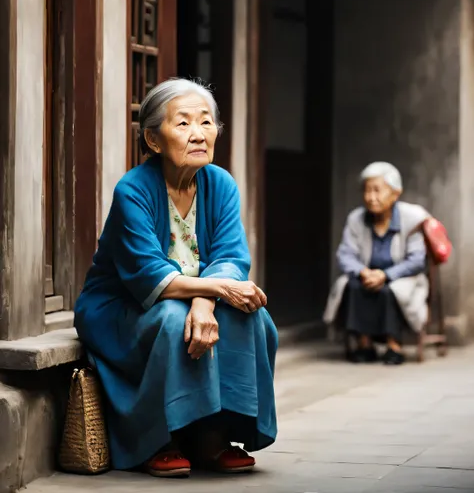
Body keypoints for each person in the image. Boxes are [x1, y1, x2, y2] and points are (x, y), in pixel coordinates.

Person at [74, 78, 277, 478]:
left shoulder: (220, 184)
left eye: (206, 123)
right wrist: (217, 289)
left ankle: (213, 434)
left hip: (188, 296)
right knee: (171, 321)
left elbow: (231, 257)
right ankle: (159, 439)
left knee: (252, 316)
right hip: (123, 307)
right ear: (153, 139)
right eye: (183, 124)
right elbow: (148, 277)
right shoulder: (132, 190)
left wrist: (206, 300)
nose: (199, 134)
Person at [324, 162, 429, 366]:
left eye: (377, 190)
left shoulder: (412, 218)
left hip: (400, 276)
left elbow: (417, 259)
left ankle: (394, 345)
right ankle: (365, 344)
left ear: (395, 193)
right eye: (367, 190)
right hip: (367, 273)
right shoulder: (356, 219)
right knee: (354, 285)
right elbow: (345, 254)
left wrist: (386, 275)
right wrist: (362, 271)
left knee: (391, 290)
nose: (371, 197)